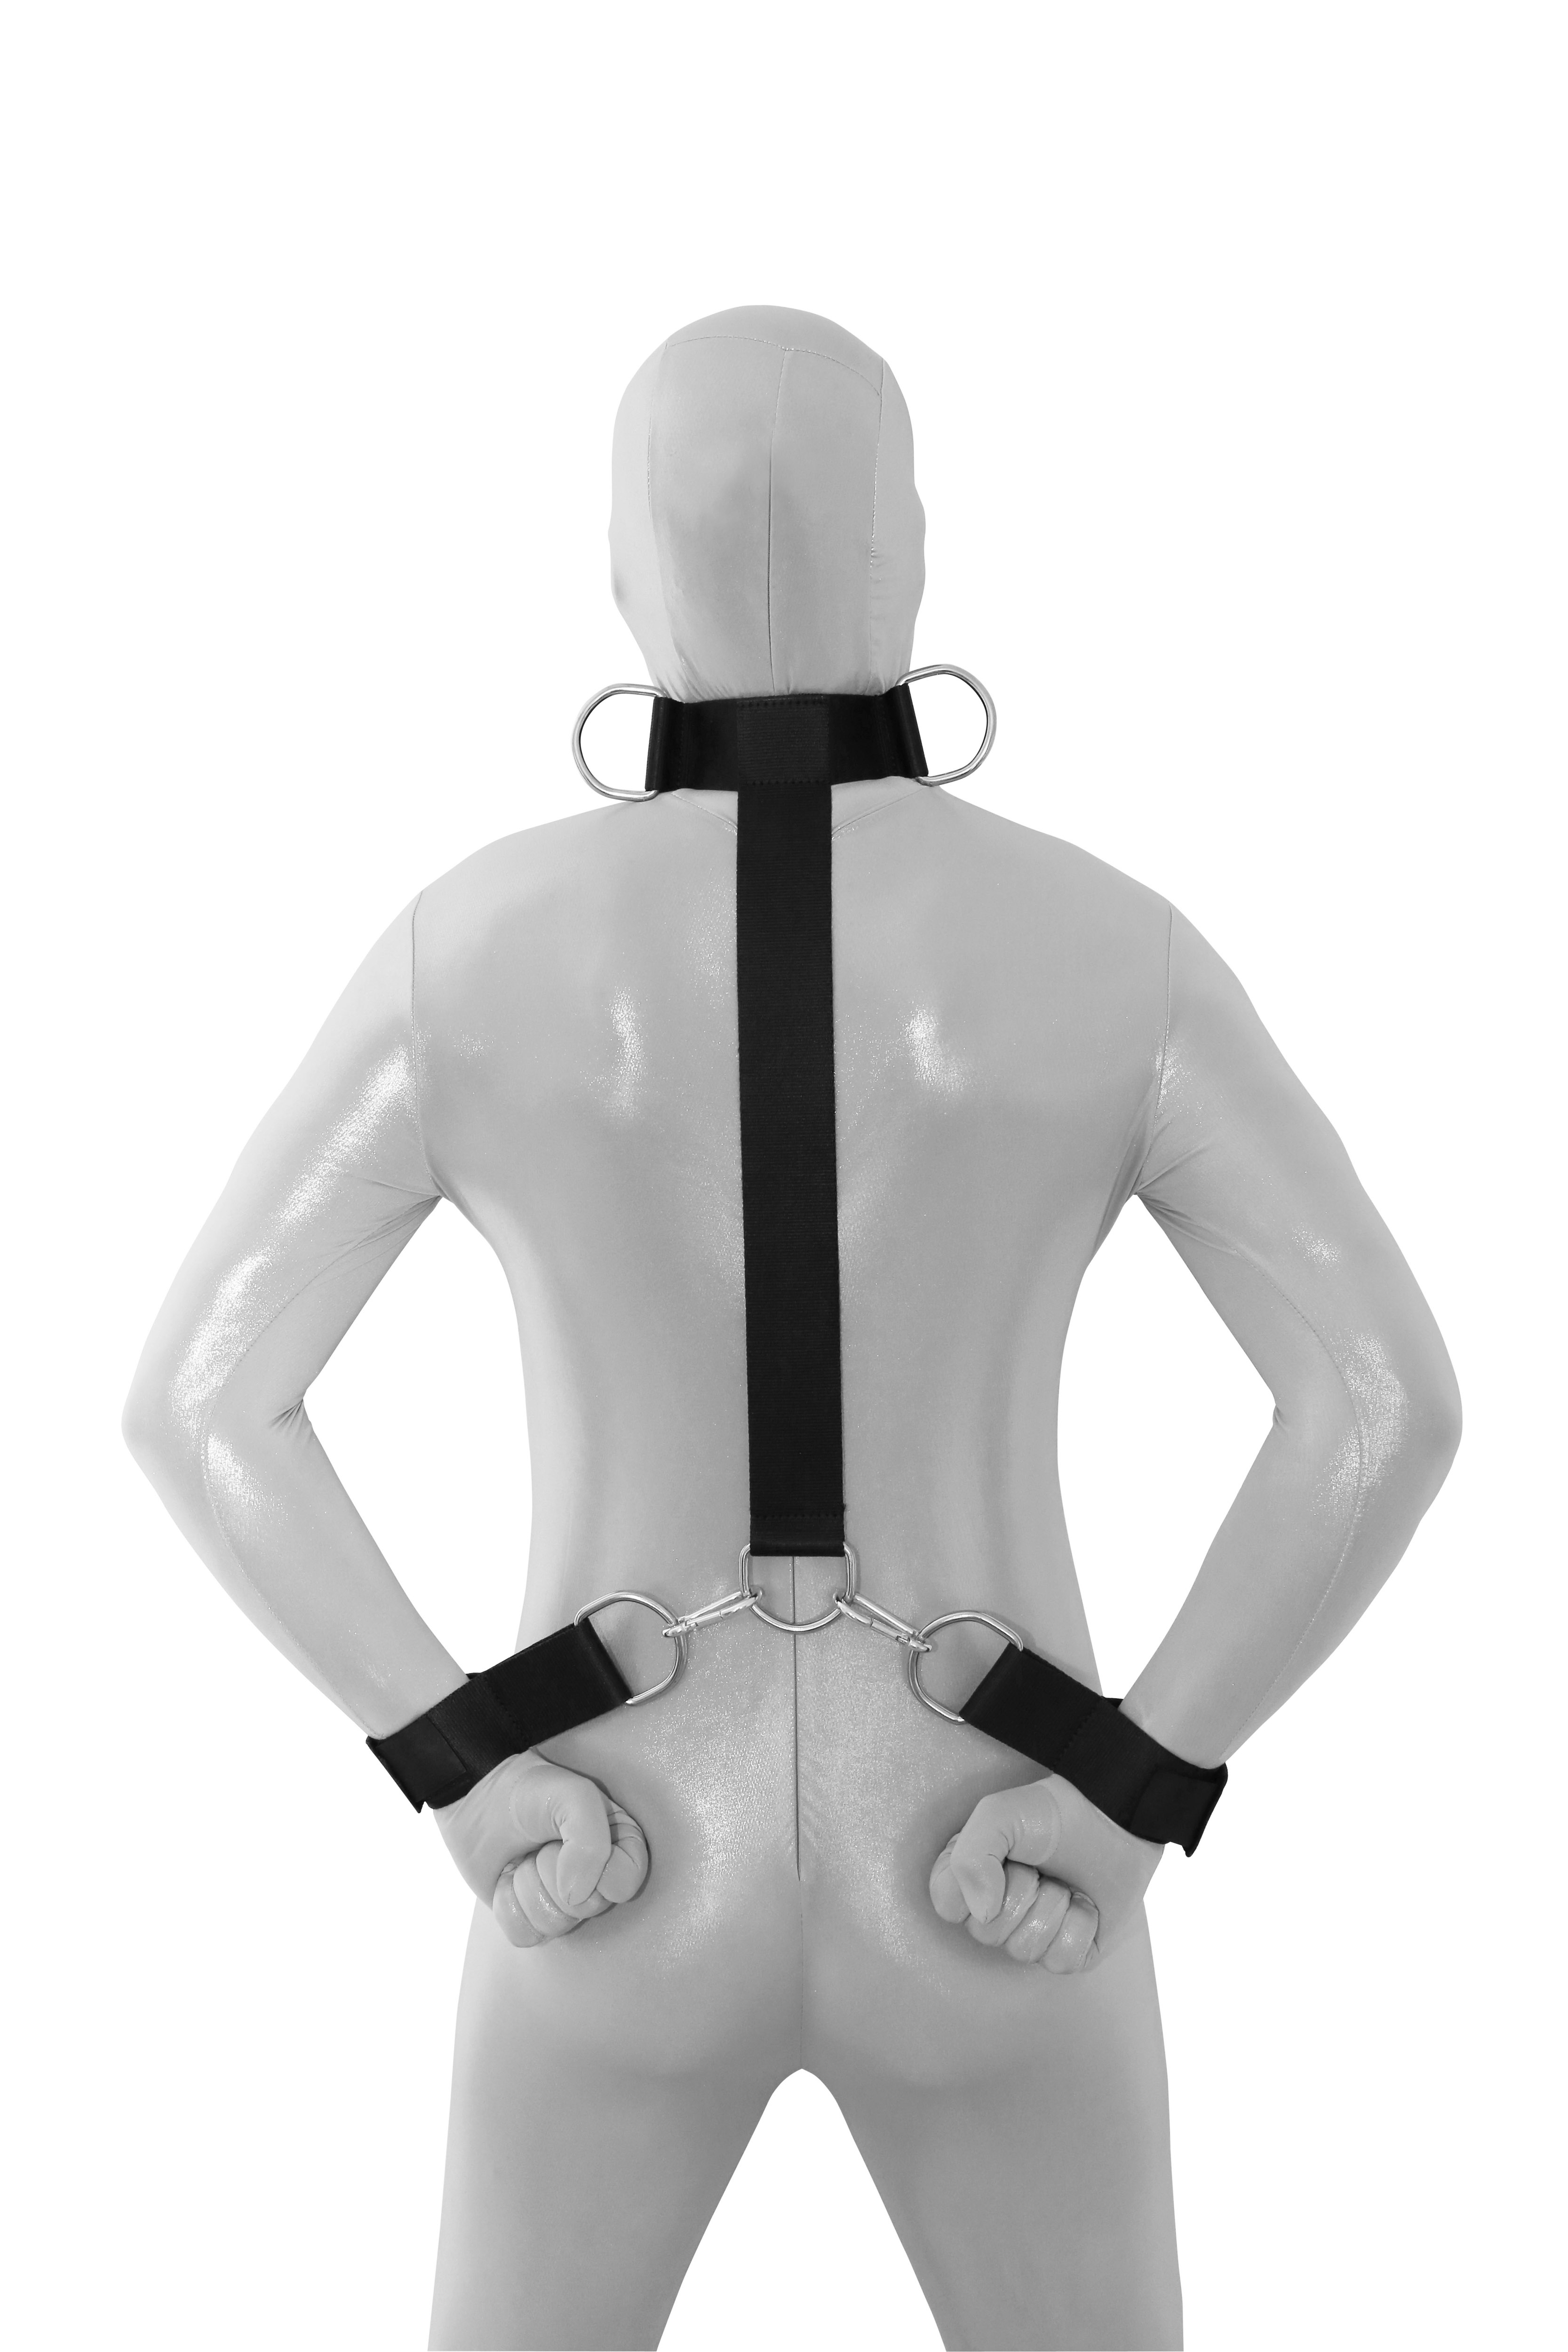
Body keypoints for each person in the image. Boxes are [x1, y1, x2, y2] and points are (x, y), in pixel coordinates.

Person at [123, 305, 1461, 2351]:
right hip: (1003, 1835)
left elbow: (201, 1402)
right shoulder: (1113, 948)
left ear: (617, 565)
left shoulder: (468, 951)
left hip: (607, 1840)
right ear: (912, 551)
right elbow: (1381, 1404)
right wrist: (1131, 1785)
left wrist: (464, 1765)